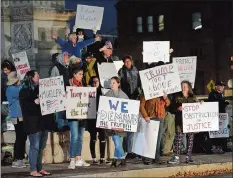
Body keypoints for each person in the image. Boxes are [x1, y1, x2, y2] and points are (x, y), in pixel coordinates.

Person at [19, 71, 56, 177]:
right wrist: (34, 102)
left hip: (43, 122)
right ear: (31, 78)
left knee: (41, 146)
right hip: (33, 123)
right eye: (37, 76)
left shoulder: (41, 89)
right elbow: (25, 106)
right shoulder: (25, 91)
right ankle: (33, 169)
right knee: (34, 146)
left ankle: (40, 168)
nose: (39, 77)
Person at [168, 81, 200, 164]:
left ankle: (188, 157)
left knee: (190, 139)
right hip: (180, 121)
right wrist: (177, 108)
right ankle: (176, 157)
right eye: (182, 86)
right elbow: (171, 109)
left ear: (189, 87)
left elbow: (198, 107)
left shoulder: (193, 97)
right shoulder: (177, 96)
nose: (183, 87)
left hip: (190, 122)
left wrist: (201, 103)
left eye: (185, 86)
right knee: (178, 139)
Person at [118, 55, 141, 159]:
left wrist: (139, 94)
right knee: (126, 127)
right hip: (126, 100)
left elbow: (139, 84)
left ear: (131, 61)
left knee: (133, 126)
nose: (127, 63)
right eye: (125, 61)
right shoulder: (121, 72)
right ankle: (127, 150)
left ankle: (131, 150)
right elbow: (119, 85)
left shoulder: (136, 70)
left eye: (129, 61)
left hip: (135, 100)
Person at [67, 67, 90, 169]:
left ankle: (78, 158)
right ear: (74, 74)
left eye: (82, 74)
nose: (82, 76)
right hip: (73, 115)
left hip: (83, 115)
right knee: (75, 137)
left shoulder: (83, 85)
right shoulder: (68, 84)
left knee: (80, 138)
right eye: (80, 74)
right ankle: (72, 159)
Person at [140, 92, 170, 165]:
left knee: (158, 139)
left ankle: (157, 157)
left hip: (160, 118)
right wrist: (145, 116)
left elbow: (168, 104)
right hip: (150, 118)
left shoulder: (162, 93)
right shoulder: (147, 92)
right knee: (150, 139)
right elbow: (141, 106)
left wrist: (165, 97)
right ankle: (148, 158)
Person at [105, 77, 128, 167]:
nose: (111, 85)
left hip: (121, 123)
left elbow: (128, 109)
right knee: (117, 143)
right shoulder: (107, 95)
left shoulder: (124, 95)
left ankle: (114, 160)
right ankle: (123, 159)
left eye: (113, 83)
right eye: (111, 83)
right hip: (111, 124)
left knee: (119, 143)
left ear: (118, 84)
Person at [6, 71, 27, 168]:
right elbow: (22, 92)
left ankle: (20, 158)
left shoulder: (12, 88)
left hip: (17, 115)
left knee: (21, 137)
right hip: (17, 116)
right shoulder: (13, 89)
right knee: (20, 137)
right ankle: (18, 159)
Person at [87, 76, 109, 164]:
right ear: (91, 83)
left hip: (101, 117)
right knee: (93, 137)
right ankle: (94, 158)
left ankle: (102, 158)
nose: (96, 83)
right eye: (94, 81)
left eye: (97, 81)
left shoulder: (102, 92)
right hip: (92, 118)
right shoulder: (88, 92)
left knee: (103, 137)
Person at [208, 81, 229, 153]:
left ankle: (222, 146)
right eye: (221, 86)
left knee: (222, 132)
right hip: (215, 115)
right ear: (216, 86)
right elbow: (213, 103)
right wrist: (222, 103)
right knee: (216, 132)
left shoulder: (221, 94)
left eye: (223, 86)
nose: (222, 87)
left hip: (222, 116)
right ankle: (215, 147)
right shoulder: (212, 94)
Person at [1, 60, 16, 138]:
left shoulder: (15, 74)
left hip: (14, 100)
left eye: (6, 69)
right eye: (4, 70)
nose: (5, 71)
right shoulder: (3, 76)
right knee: (6, 117)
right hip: (5, 100)